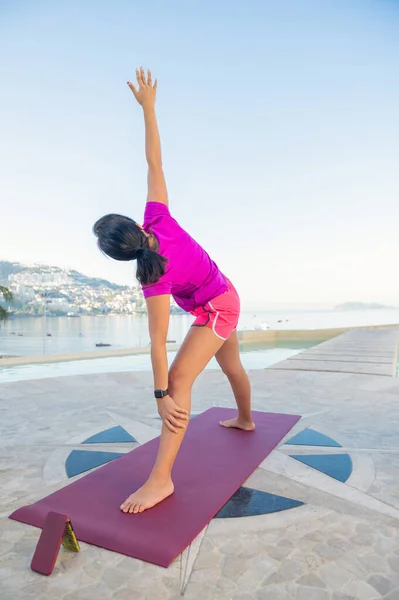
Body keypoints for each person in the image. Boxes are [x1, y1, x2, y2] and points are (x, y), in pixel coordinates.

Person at [93, 68, 254, 514]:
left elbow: (158, 345)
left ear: (120, 256)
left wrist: (163, 397)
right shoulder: (158, 219)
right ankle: (245, 419)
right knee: (232, 365)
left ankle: (161, 479)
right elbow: (154, 162)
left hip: (218, 305)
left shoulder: (152, 279)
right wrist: (149, 108)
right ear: (137, 224)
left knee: (181, 379)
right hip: (222, 294)